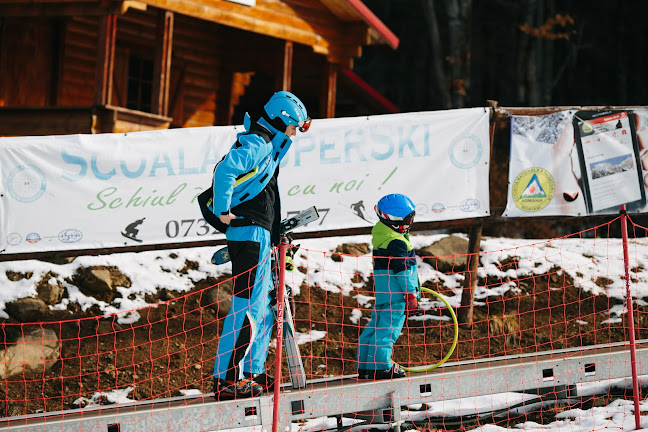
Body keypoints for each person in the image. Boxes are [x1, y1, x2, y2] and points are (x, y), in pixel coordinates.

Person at [208, 91, 310, 400]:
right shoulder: (257, 142)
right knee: (245, 309)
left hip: (262, 232)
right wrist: (222, 213)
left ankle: (251, 371)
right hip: (249, 232)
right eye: (294, 127)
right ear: (281, 119)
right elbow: (225, 170)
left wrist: (278, 233)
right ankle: (226, 380)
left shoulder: (270, 146)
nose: (294, 134)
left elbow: (267, 196)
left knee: (263, 306)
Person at [357, 193, 421, 380]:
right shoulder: (398, 242)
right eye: (409, 220)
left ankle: (366, 365)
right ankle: (382, 366)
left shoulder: (382, 236)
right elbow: (403, 271)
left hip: (384, 294)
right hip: (397, 295)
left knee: (375, 328)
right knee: (388, 331)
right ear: (396, 221)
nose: (411, 223)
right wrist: (410, 294)